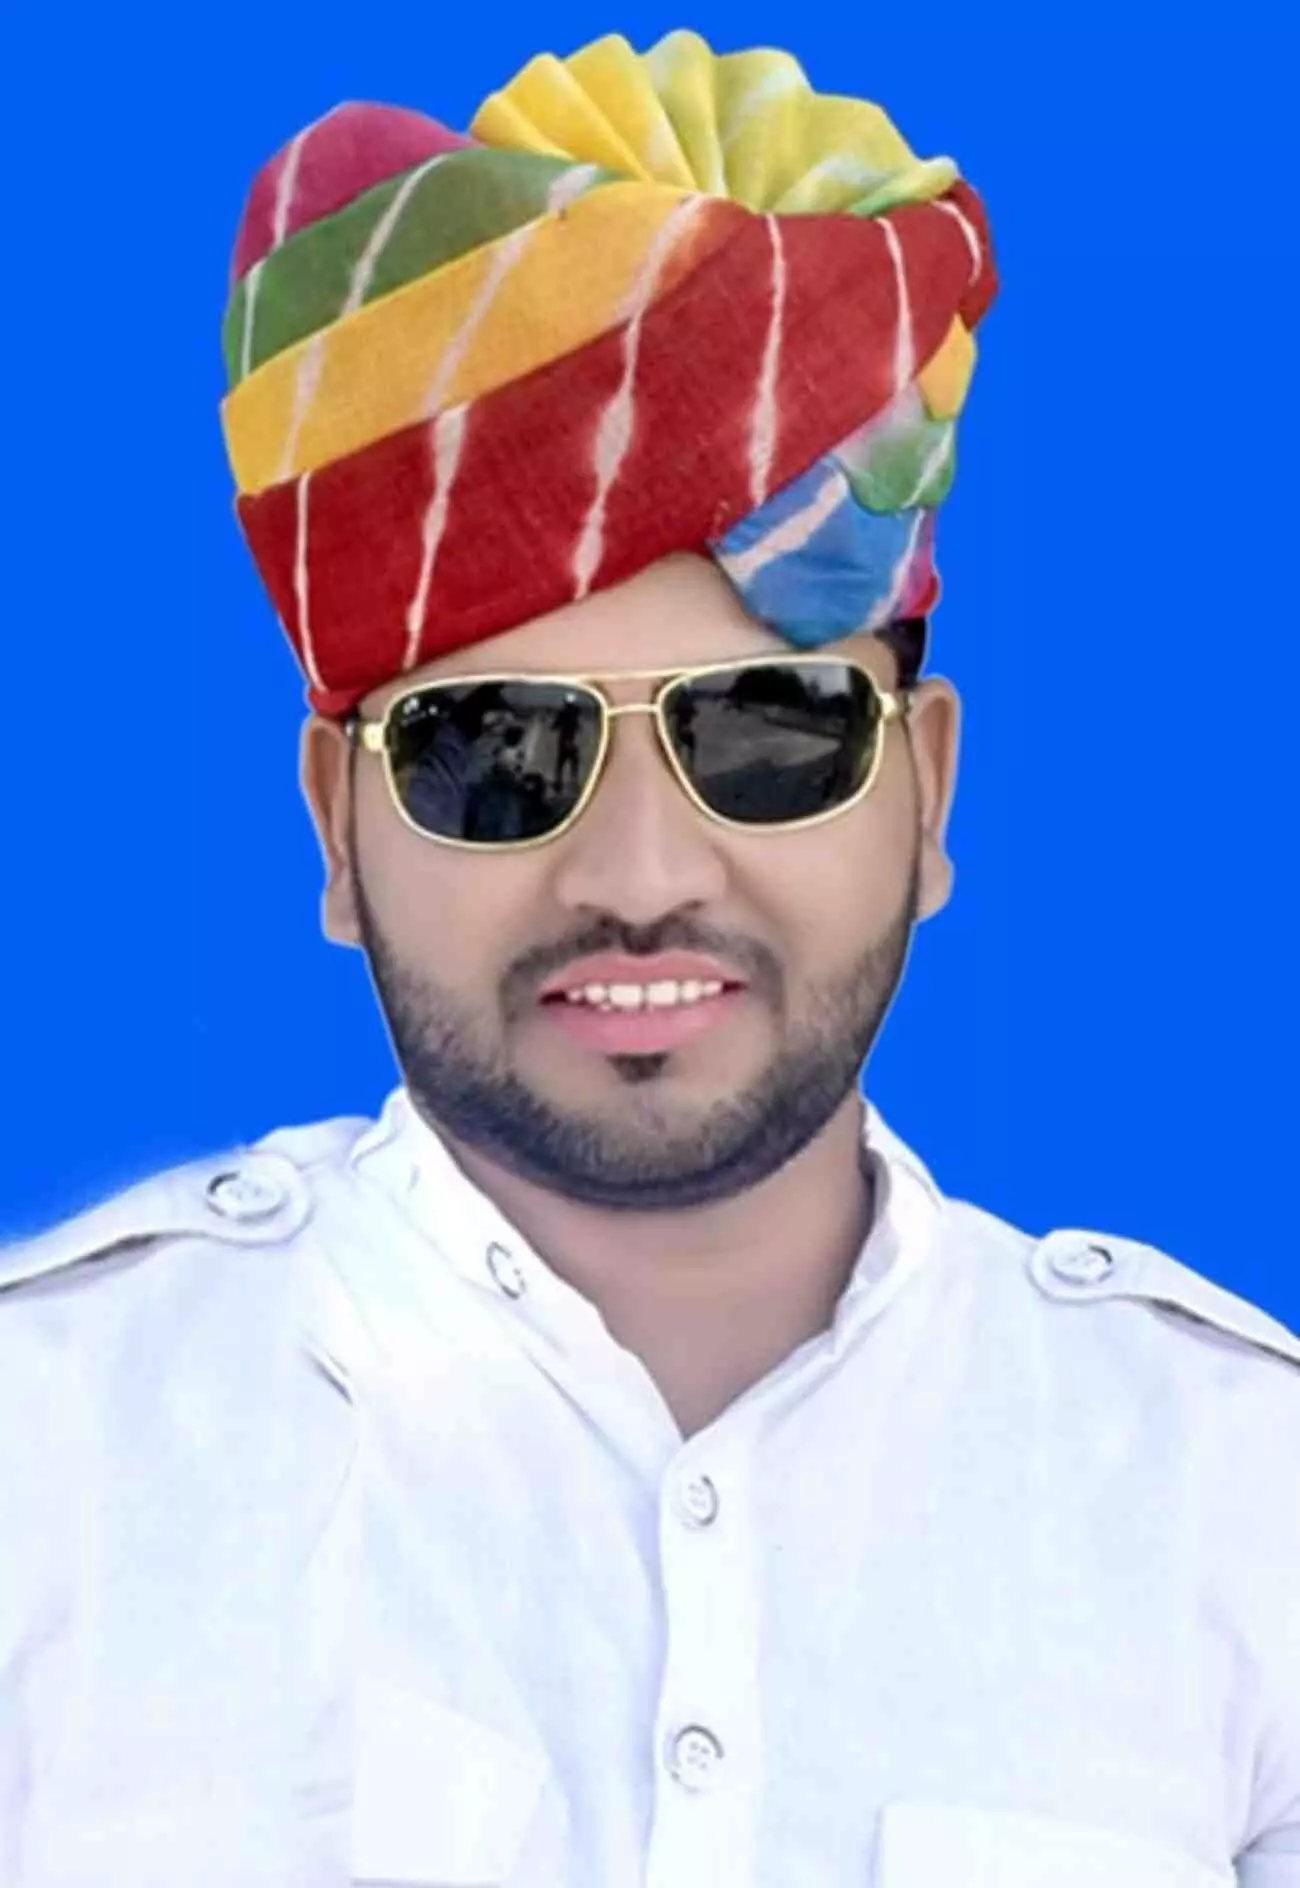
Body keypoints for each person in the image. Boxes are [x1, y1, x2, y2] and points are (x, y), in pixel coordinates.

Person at [1, 29, 1296, 1888]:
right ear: (336, 829)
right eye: (492, 748)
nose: (636, 874)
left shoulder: (1242, 1502)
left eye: (767, 730)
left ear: (927, 794)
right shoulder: (42, 1463)